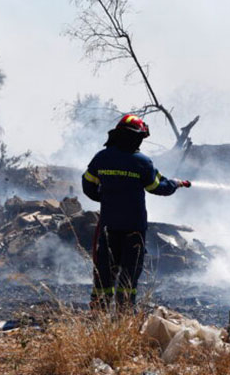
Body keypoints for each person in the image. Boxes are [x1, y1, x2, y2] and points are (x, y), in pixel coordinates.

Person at [82, 114, 191, 310]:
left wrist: (105, 198)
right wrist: (176, 183)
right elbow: (158, 187)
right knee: (129, 272)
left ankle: (99, 314)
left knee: (104, 272)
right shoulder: (142, 162)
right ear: (138, 138)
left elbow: (88, 186)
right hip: (134, 229)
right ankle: (124, 314)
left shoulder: (102, 158)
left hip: (108, 227)